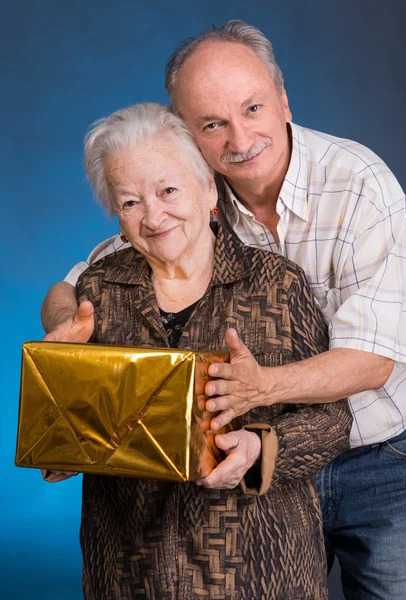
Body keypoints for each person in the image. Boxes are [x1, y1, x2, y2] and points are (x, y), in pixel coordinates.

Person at [41, 21, 406, 600]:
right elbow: (81, 284)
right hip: (240, 493)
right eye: (212, 124)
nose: (239, 137)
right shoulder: (181, 197)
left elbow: (372, 364)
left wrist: (261, 390)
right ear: (189, 137)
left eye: (252, 108)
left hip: (383, 450)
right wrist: (65, 332)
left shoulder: (357, 184)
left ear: (282, 98)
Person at [50, 101, 351, 599]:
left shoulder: (277, 284)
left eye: (168, 190)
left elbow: (334, 421)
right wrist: (63, 432)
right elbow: (72, 422)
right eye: (129, 202)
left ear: (209, 189)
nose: (153, 216)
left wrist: (259, 449)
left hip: (260, 571)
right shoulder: (100, 290)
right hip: (129, 573)